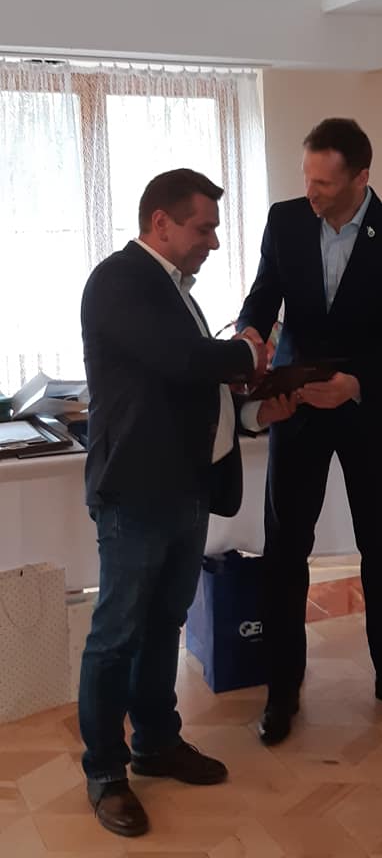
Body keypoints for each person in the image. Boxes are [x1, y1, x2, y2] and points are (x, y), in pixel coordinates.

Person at [79, 168, 295, 837]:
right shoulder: (119, 281)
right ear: (160, 223)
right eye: (204, 228)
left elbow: (197, 391)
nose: (213, 241)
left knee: (162, 627)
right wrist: (249, 351)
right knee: (116, 637)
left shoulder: (176, 291)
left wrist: (255, 412)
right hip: (137, 493)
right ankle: (105, 771)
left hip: (186, 489)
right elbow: (182, 361)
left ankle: (156, 742)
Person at [237, 117, 382, 746]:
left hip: (365, 411)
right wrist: (250, 336)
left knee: (381, 547)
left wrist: (355, 384)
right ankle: (282, 687)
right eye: (307, 177)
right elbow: (262, 297)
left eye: (324, 183)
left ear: (361, 178)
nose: (311, 191)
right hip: (296, 407)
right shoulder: (285, 221)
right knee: (285, 552)